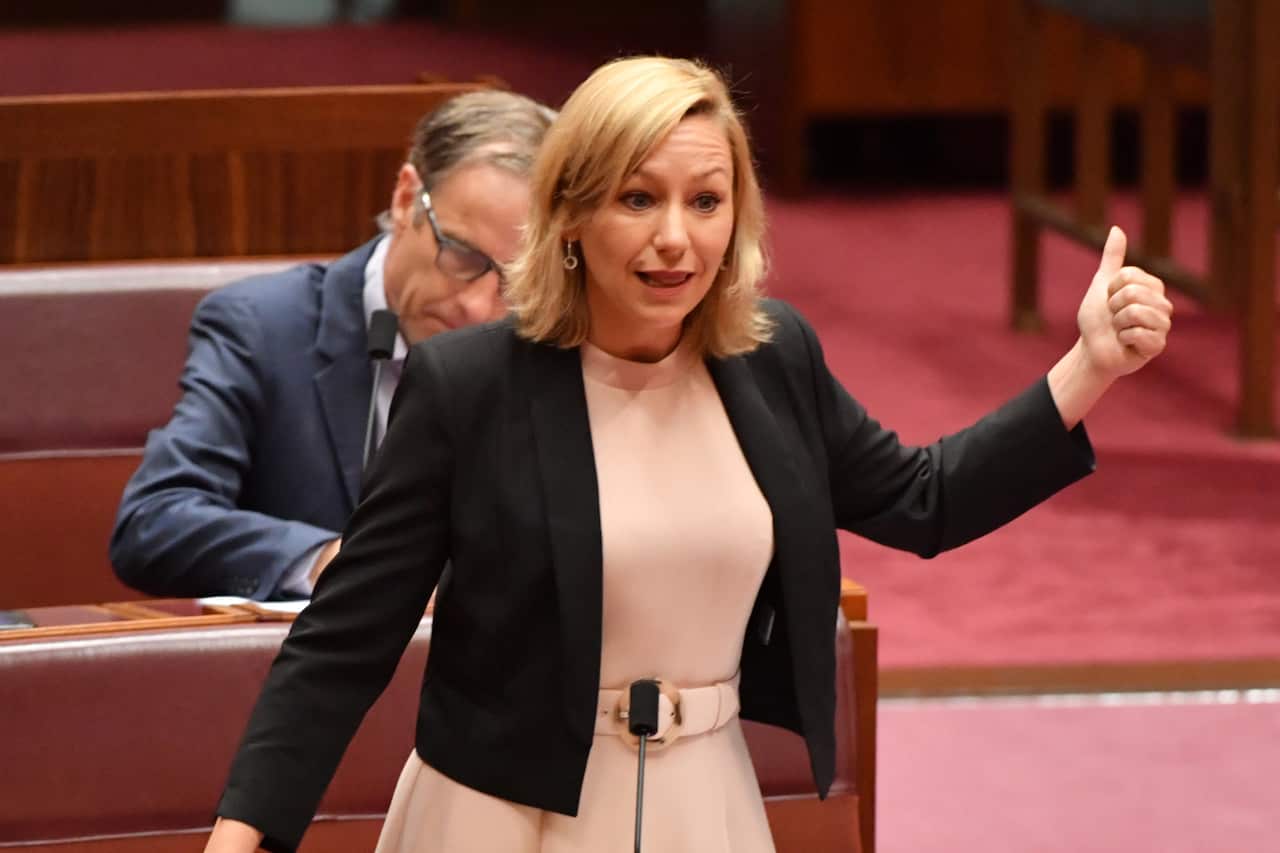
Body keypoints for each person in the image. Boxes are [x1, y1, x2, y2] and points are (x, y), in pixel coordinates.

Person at [205, 56, 1173, 853]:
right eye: (637, 197)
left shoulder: (769, 356)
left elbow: (921, 501)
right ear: (573, 216)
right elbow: (345, 639)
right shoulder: (470, 386)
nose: (675, 238)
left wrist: (1087, 365)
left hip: (701, 810)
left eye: (705, 201)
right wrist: (241, 839)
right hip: (502, 817)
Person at [109, 90, 556, 600]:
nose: (479, 308)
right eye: (460, 254)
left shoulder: (556, 347)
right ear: (407, 196)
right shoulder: (263, 329)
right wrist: (333, 562)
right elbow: (154, 522)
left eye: (518, 278)